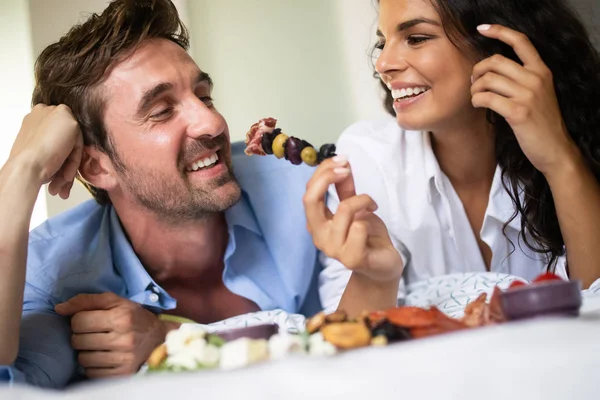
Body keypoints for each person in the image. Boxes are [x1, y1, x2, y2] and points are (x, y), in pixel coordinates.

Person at [0, 0, 321, 388]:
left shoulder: (303, 189)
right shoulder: (54, 276)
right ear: (97, 166)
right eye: (162, 110)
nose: (212, 122)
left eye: (203, 96)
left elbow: (373, 337)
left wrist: (172, 339)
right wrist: (21, 172)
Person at [304, 0, 600, 316]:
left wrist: (559, 160)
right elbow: (348, 341)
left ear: (496, 46)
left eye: (416, 38)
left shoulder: (582, 138)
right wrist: (375, 278)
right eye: (382, 43)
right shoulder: (367, 157)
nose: (384, 63)